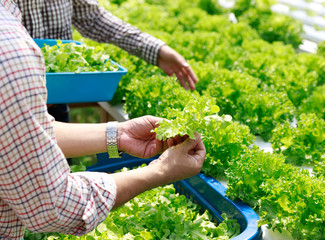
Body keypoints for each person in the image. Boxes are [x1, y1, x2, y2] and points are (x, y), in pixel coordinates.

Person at [0, 1, 206, 239]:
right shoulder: (9, 51)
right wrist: (161, 171)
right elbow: (54, 207)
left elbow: (19, 137)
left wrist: (119, 135)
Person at [13, 0, 199, 123]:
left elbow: (93, 18)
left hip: (58, 96)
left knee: (60, 172)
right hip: (13, 100)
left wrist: (157, 51)